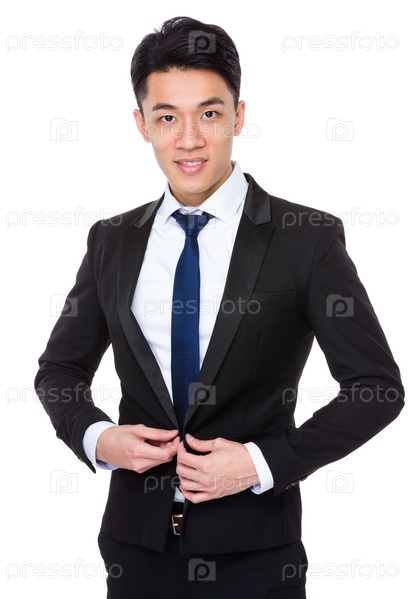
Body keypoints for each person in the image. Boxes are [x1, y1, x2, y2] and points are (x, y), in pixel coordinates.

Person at [34, 16, 404, 599]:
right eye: (166, 117)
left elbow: (376, 387)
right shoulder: (112, 240)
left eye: (208, 114)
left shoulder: (305, 238)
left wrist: (262, 462)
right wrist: (98, 438)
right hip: (135, 551)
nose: (189, 139)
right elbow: (59, 369)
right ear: (142, 125)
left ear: (238, 116)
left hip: (257, 557)